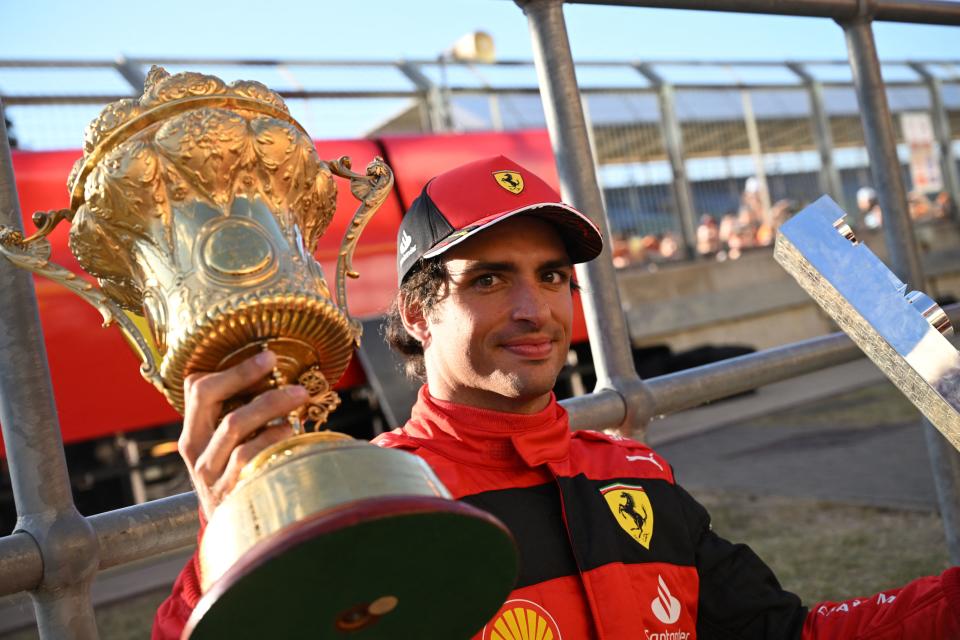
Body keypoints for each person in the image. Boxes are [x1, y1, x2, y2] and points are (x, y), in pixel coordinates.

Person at [154, 156, 960, 639]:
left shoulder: (637, 476)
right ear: (412, 311)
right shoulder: (372, 503)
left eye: (552, 277)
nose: (534, 308)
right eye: (491, 279)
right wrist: (226, 546)